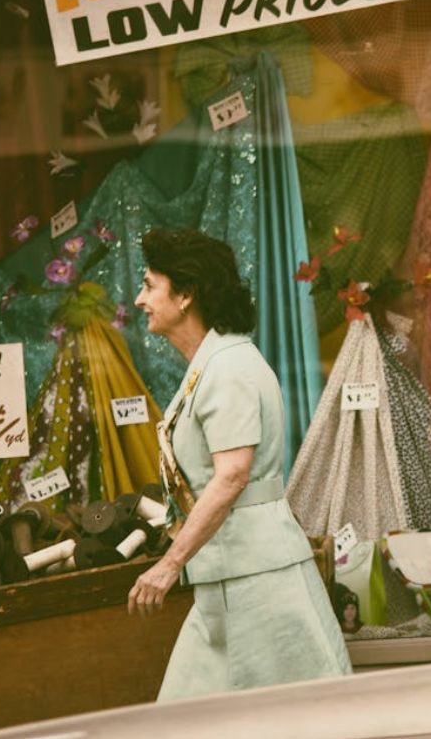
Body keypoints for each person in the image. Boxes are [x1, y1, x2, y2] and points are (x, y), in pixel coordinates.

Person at [127, 228, 351, 701]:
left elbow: (231, 476)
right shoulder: (217, 364)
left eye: (150, 285)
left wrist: (170, 564)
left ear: (186, 294)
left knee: (290, 720)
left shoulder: (228, 369)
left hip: (255, 584)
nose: (140, 298)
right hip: (234, 576)